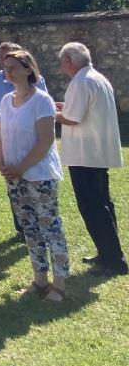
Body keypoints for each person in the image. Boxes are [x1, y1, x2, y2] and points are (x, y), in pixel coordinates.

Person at [0, 50, 69, 301]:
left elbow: (46, 140)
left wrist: (22, 167)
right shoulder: (6, 100)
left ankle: (59, 285)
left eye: (13, 67)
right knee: (29, 227)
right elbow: (2, 134)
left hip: (39, 175)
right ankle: (39, 281)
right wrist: (2, 163)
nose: (8, 71)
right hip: (15, 176)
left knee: (50, 227)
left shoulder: (42, 101)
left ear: (28, 69)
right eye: (6, 67)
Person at [56, 42, 127, 276]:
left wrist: (48, 112)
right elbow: (81, 111)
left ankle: (113, 260)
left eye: (62, 61)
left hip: (85, 154)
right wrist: (64, 108)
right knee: (102, 204)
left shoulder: (81, 81)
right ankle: (108, 253)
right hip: (96, 152)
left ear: (68, 60)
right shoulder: (96, 78)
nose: (61, 65)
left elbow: (72, 118)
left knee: (93, 206)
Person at [0, 41, 49, 238]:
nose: (6, 64)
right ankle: (23, 228)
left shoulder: (39, 87)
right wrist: (4, 130)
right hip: (8, 142)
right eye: (2, 59)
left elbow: (45, 117)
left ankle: (42, 230)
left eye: (9, 58)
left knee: (43, 206)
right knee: (16, 191)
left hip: (32, 143)